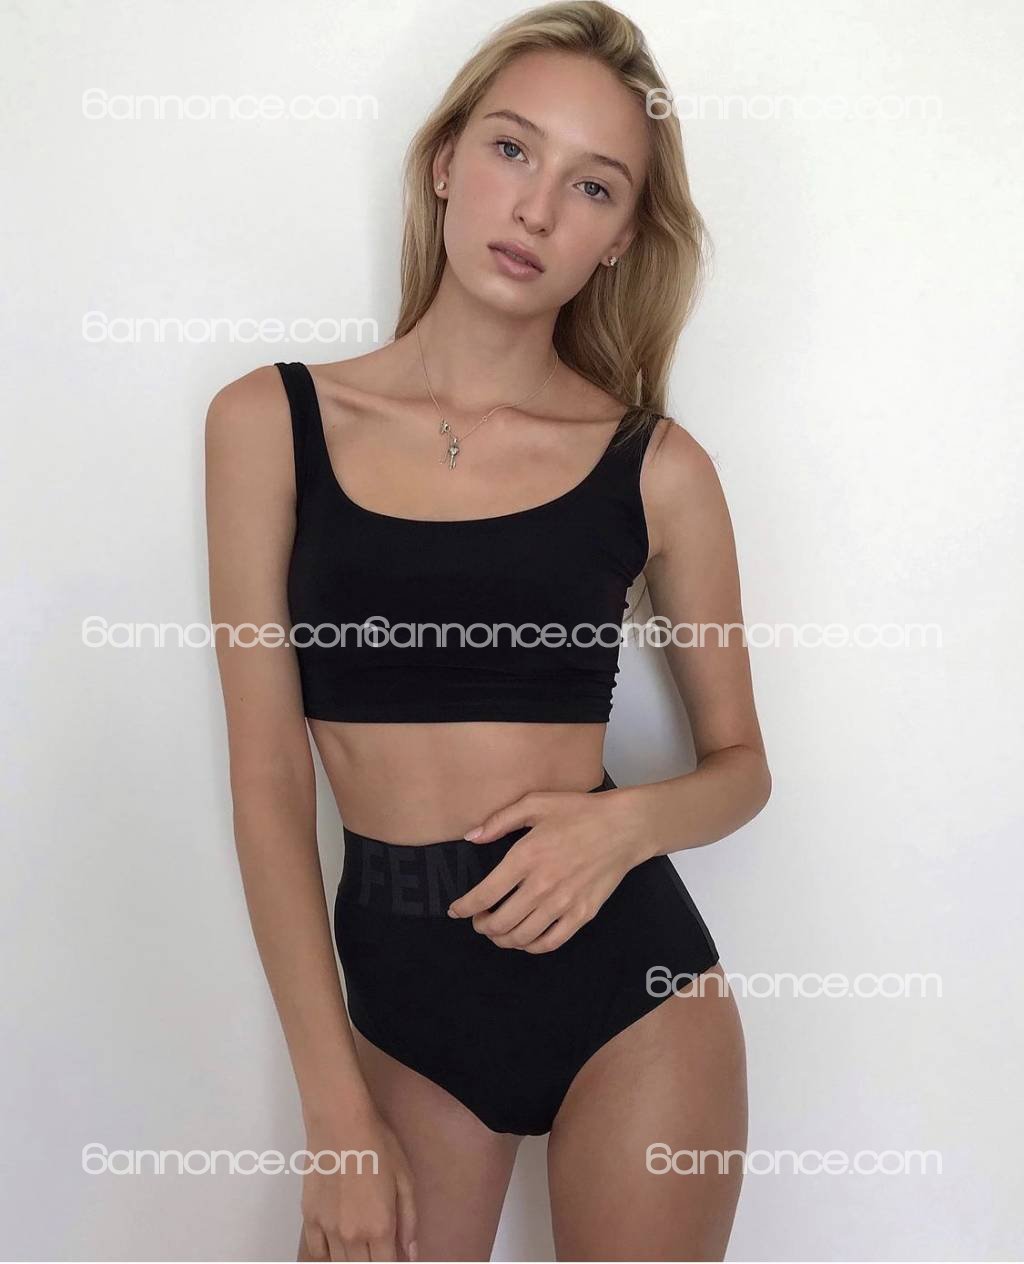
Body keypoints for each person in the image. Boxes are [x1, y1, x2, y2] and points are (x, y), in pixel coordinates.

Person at [205, 3, 770, 1259]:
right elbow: (267, 779)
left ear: (619, 240)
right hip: (404, 998)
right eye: (513, 149)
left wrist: (620, 825)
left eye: (592, 185)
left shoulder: (655, 467)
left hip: (631, 987)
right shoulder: (268, 424)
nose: (537, 209)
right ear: (445, 161)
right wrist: (335, 1115)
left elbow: (743, 769)